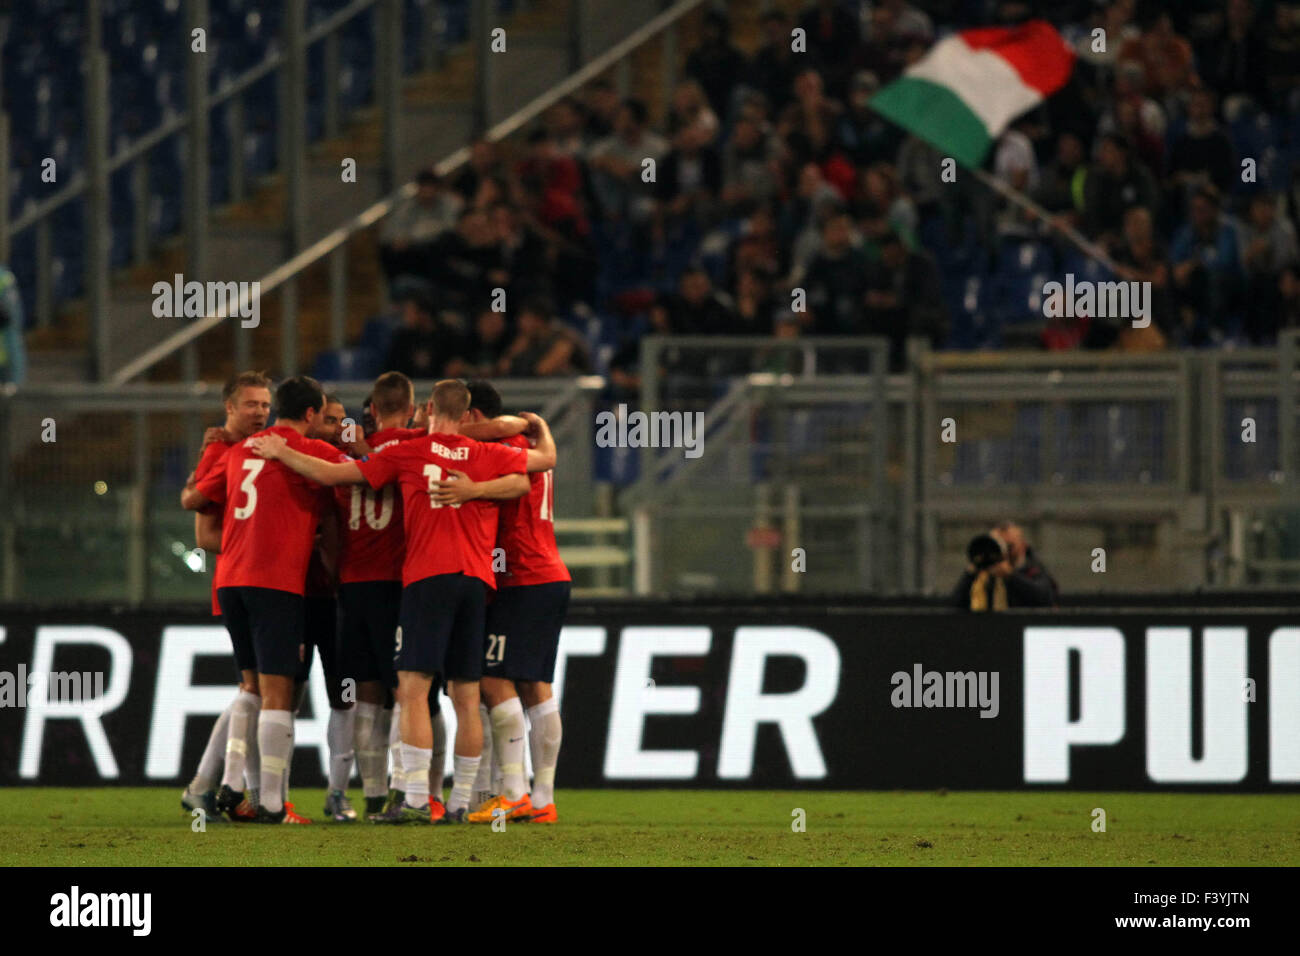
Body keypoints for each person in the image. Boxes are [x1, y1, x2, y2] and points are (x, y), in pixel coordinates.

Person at [248, 380, 543, 824]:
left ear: (427, 408)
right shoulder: (486, 455)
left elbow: (332, 474)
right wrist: (477, 489)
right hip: (477, 581)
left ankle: (416, 800)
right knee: (465, 693)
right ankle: (461, 801)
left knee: (412, 689)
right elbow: (531, 473)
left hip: (425, 580)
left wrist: (281, 451)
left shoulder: (411, 451)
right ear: (466, 416)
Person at [186, 376, 348, 823]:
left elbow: (193, 498)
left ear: (276, 407)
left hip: (232, 581)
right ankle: (273, 805)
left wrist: (211, 452)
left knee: (252, 686)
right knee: (280, 694)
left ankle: (232, 786)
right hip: (275, 583)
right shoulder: (312, 452)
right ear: (312, 414)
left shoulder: (242, 449)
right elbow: (359, 472)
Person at [178, 371, 272, 823]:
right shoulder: (222, 450)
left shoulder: (253, 447)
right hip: (245, 581)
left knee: (253, 691)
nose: (260, 412)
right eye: (251, 404)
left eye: (265, 404)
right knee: (256, 690)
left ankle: (209, 787)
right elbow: (202, 528)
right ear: (229, 408)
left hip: (252, 579)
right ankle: (229, 789)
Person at [952, 521, 1058, 610]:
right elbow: (956, 604)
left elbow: (1045, 599)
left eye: (1009, 546)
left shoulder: (1032, 568)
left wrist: (1011, 575)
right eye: (999, 545)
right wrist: (971, 573)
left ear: (1023, 546)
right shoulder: (982, 575)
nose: (1005, 552)